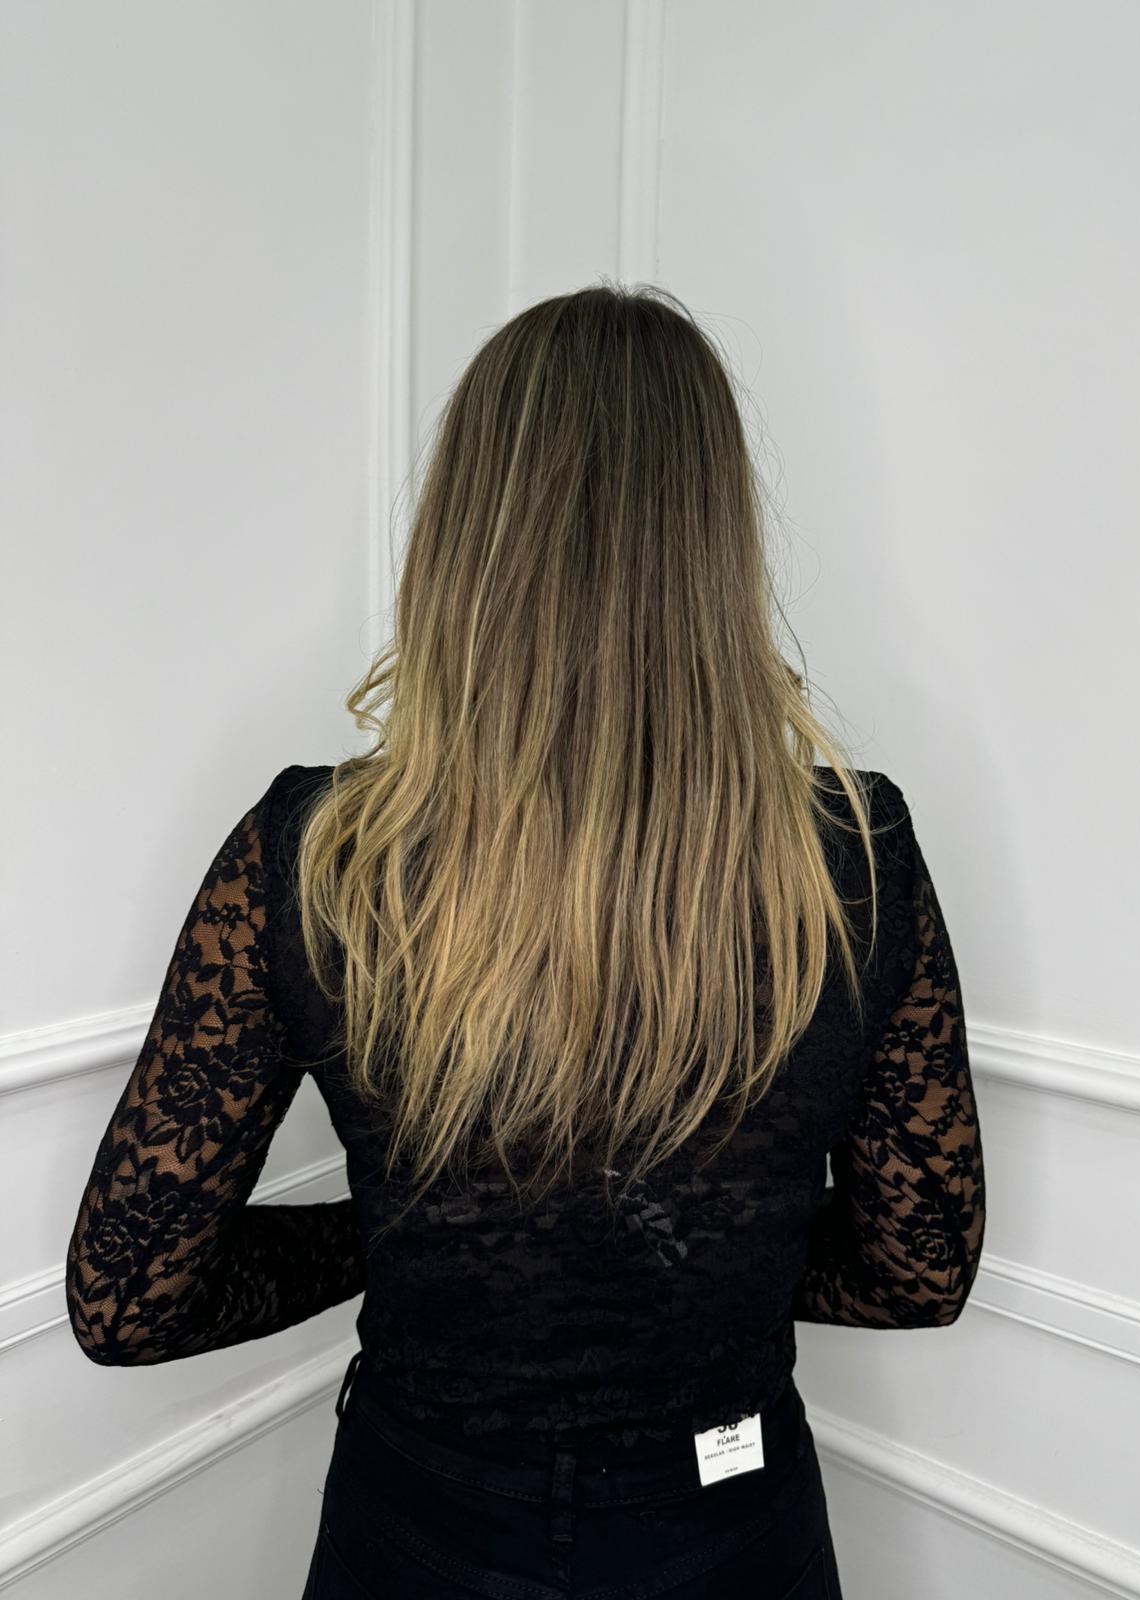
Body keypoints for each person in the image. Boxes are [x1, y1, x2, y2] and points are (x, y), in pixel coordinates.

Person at [64, 282, 986, 1599]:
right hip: (731, 1519)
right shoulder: (854, 854)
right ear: (716, 544)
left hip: (419, 1523)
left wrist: (395, 1242)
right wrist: (726, 1261)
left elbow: (128, 1297)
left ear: (465, 536)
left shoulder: (320, 855)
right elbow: (919, 1271)